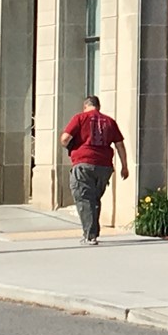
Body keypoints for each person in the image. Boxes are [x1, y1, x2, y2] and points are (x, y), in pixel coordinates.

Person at [59, 96, 128, 244]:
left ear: (85, 106)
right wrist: (124, 166)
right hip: (104, 166)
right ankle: (93, 233)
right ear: (98, 106)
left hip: (83, 163)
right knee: (94, 199)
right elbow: (120, 145)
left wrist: (71, 146)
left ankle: (90, 235)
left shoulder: (80, 118)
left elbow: (64, 139)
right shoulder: (109, 121)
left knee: (84, 199)